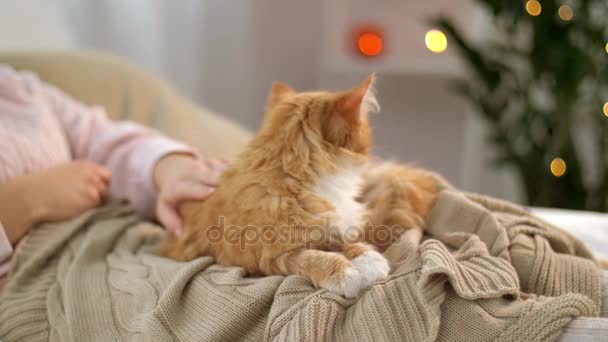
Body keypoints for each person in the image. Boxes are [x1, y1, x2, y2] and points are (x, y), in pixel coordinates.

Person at [0, 65, 228, 287]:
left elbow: (100, 140)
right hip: (47, 290)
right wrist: (23, 202)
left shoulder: (18, 90)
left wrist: (167, 168)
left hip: (121, 249)